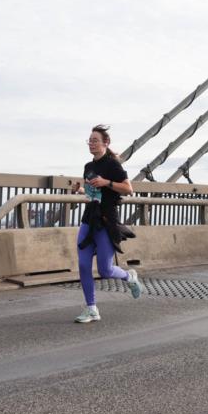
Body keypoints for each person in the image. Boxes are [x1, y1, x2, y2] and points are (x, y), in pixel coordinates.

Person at [73, 125, 143, 323]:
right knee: (83, 265)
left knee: (105, 270)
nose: (92, 144)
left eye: (95, 140)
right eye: (90, 140)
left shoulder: (113, 165)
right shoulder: (88, 167)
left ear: (106, 143)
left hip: (106, 221)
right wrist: (79, 190)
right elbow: (91, 194)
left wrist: (107, 183)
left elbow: (128, 189)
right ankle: (91, 309)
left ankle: (129, 277)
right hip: (89, 219)